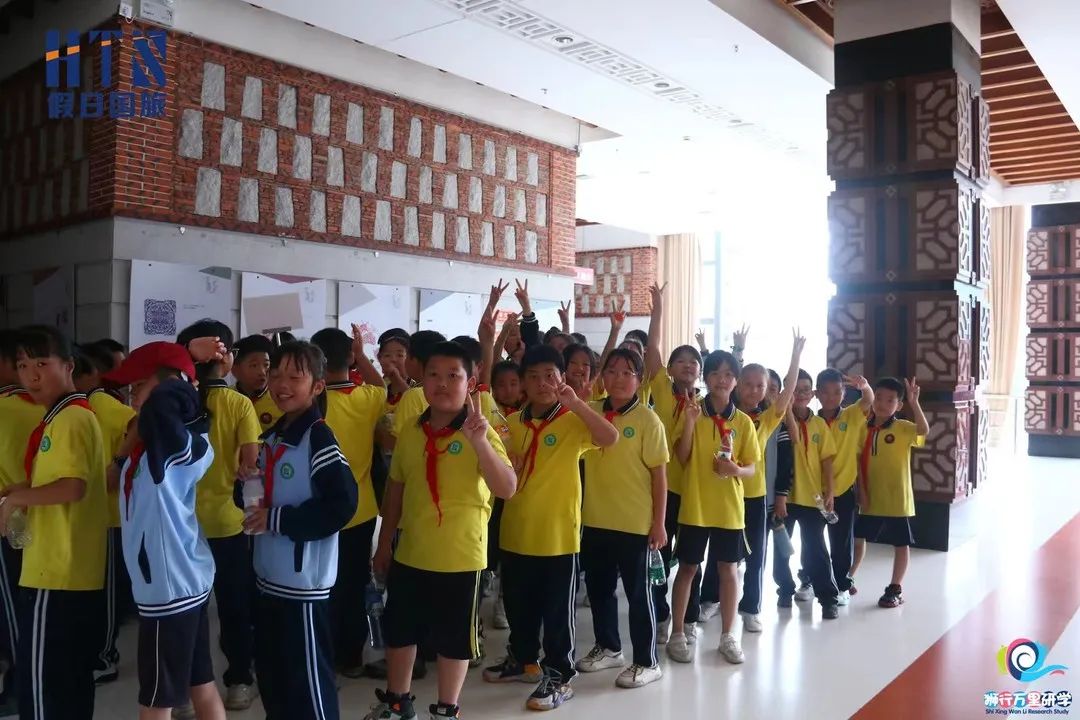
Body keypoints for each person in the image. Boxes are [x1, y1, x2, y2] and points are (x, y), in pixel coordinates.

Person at [364, 342, 516, 720]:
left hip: (460, 557)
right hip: (411, 552)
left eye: (453, 376)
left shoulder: (479, 431)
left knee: (452, 641)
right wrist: (384, 544)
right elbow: (396, 490)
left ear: (470, 382)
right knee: (401, 631)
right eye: (433, 375)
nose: (442, 383)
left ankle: (447, 709)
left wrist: (479, 442)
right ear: (422, 380)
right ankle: (398, 702)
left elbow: (507, 488)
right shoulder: (412, 431)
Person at [483, 345, 618, 711]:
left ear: (562, 378)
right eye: (533, 377)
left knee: (557, 612)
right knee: (518, 604)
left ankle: (560, 674)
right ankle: (523, 659)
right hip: (516, 531)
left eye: (550, 376)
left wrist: (577, 404)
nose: (542, 383)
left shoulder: (573, 420)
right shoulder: (512, 423)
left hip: (558, 536)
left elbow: (609, 438)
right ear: (523, 383)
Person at [104, 341, 226, 720]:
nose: (132, 397)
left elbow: (164, 402)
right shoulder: (155, 445)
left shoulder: (174, 447)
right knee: (200, 684)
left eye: (138, 386)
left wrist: (182, 365)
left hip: (169, 590)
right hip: (179, 582)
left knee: (156, 701)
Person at [243, 341, 357, 720]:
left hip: (303, 588)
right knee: (274, 679)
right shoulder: (272, 438)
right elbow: (259, 500)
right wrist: (245, 483)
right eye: (275, 375)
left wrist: (277, 520)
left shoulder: (318, 438)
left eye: (295, 377)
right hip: (268, 580)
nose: (282, 384)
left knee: (309, 685)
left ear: (317, 386)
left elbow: (341, 505)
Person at [0, 327, 108, 719]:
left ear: (69, 366)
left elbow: (72, 487)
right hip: (70, 569)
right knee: (69, 678)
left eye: (42, 364)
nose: (31, 375)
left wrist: (16, 499)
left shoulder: (70, 419)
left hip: (57, 570)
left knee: (43, 684)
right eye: (23, 365)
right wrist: (20, 489)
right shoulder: (63, 416)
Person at [175, 320, 263, 711]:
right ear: (226, 359)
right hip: (228, 523)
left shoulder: (177, 401)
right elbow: (250, 463)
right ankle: (239, 681)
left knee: (187, 610)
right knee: (234, 606)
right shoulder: (239, 404)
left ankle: (185, 692)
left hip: (182, 523)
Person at [700, 332, 804, 632]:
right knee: (719, 553)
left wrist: (795, 356)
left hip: (754, 497)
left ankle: (750, 608)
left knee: (756, 555)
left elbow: (786, 394)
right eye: (748, 384)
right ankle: (710, 599)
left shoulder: (766, 418)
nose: (754, 390)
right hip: (723, 495)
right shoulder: (724, 414)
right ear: (737, 384)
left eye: (761, 386)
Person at [577, 349, 667, 689]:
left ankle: (647, 661)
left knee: (639, 595)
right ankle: (609, 647)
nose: (618, 378)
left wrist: (659, 523)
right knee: (599, 589)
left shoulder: (648, 420)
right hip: (595, 519)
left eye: (627, 372)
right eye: (611, 371)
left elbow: (659, 476)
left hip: (635, 523)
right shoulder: (590, 411)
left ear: (639, 380)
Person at [667, 350, 759, 666]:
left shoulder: (743, 422)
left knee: (728, 571)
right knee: (687, 569)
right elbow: (681, 457)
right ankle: (678, 633)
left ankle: (728, 636)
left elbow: (752, 468)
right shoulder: (691, 411)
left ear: (736, 382)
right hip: (695, 505)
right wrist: (690, 423)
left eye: (729, 374)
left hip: (729, 509)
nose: (722, 379)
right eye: (716, 373)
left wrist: (736, 470)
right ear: (706, 378)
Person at [310, 327, 388, 678]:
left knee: (321, 585)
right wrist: (361, 355)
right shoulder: (367, 398)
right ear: (351, 358)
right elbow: (381, 386)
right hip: (362, 508)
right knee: (355, 582)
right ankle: (352, 655)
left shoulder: (313, 403)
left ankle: (323, 655)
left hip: (320, 508)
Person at [74, 343, 138, 685]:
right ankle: (97, 653)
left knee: (105, 592)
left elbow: (140, 426)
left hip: (109, 515)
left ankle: (104, 657)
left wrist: (118, 463)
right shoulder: (80, 406)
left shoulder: (105, 406)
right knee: (96, 590)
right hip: (91, 514)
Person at [641, 285, 701, 641]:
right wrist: (658, 311)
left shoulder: (705, 406)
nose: (688, 365)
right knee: (659, 556)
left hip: (694, 492)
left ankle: (688, 616)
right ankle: (661, 614)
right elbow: (652, 350)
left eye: (694, 362)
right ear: (670, 368)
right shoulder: (662, 390)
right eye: (681, 360)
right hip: (663, 488)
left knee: (691, 558)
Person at [855, 377, 928, 609]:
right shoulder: (862, 427)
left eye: (890, 400)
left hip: (897, 498)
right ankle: (848, 577)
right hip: (871, 497)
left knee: (901, 543)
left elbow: (923, 430)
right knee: (858, 538)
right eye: (878, 398)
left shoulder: (903, 427)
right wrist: (861, 491)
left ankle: (895, 587)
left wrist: (915, 403)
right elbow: (857, 461)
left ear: (899, 405)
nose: (882, 404)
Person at [775, 370, 840, 619]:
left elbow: (827, 462)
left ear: (812, 394)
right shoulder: (777, 420)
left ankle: (828, 598)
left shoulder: (819, 425)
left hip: (813, 498)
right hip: (784, 498)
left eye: (805, 390)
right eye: (794, 390)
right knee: (782, 548)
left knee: (816, 549)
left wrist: (830, 492)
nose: (800, 394)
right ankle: (784, 589)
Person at [0, 335, 43, 709]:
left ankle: (20, 686)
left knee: (12, 608)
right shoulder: (50, 410)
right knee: (27, 603)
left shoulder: (4, 409)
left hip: (7, 520)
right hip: (42, 520)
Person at [814, 368, 874, 601]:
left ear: (844, 394)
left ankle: (841, 585)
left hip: (843, 492)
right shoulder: (812, 421)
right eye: (825, 392)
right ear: (817, 394)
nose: (831, 397)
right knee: (814, 542)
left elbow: (868, 400)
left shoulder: (851, 416)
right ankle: (810, 580)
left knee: (841, 542)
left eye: (837, 392)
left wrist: (865, 387)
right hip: (816, 494)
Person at [232, 334, 281, 433]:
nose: (262, 372)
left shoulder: (280, 400)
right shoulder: (226, 398)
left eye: (266, 365)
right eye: (254, 365)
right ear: (235, 369)